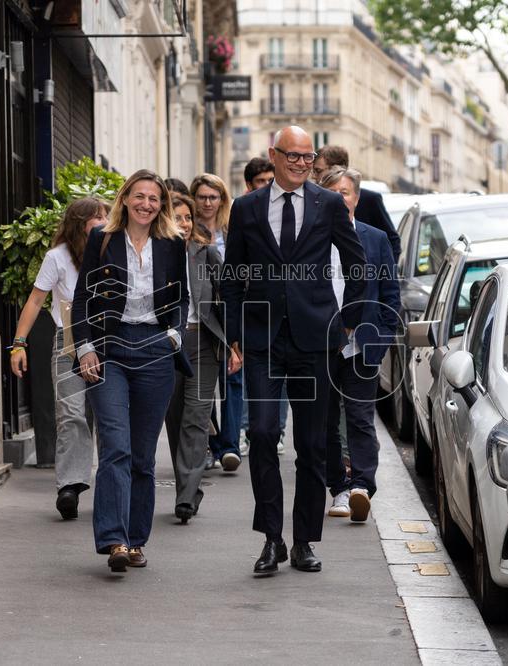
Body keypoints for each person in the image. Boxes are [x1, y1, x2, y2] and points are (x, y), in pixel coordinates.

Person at [223, 125, 366, 575]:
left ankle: (304, 540)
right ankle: (271, 539)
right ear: (274, 154)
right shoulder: (246, 208)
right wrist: (233, 333)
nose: (303, 163)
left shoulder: (327, 204)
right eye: (294, 156)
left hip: (316, 338)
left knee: (310, 444)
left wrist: (347, 322)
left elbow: (356, 261)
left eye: (309, 157)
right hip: (263, 339)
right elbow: (231, 276)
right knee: (263, 434)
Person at [71, 169, 191, 573]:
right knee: (116, 446)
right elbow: (82, 297)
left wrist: (174, 336)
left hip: (155, 350)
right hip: (109, 350)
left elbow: (182, 298)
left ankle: (136, 539)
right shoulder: (101, 238)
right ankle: (114, 539)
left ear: (162, 204)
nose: (146, 204)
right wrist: (85, 347)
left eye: (154, 198)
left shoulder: (173, 243)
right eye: (139, 196)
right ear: (125, 199)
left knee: (142, 455)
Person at [9, 197, 108, 520]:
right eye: (97, 217)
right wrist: (18, 343)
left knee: (109, 417)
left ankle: (111, 485)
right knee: (72, 415)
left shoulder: (113, 249)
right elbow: (36, 301)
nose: (104, 221)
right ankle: (70, 485)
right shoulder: (58, 257)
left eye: (106, 216)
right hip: (67, 345)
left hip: (109, 344)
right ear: (81, 224)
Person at [319, 166, 400, 522]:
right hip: (320, 345)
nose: (340, 198)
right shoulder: (310, 238)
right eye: (333, 192)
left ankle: (361, 487)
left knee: (360, 419)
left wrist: (379, 339)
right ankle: (338, 487)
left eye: (346, 192)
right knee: (325, 422)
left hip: (362, 346)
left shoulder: (375, 238)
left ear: (356, 197)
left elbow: (389, 296)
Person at [164, 193, 241, 523]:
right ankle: (188, 487)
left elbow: (226, 299)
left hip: (201, 342)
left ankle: (185, 496)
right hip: (162, 346)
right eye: (176, 217)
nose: (182, 224)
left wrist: (235, 344)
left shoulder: (205, 253)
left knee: (196, 418)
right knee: (175, 419)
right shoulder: (152, 255)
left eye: (186, 218)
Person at [190, 174, 243, 471]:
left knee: (233, 378)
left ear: (222, 200)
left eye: (214, 197)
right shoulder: (187, 230)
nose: (208, 203)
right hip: (202, 317)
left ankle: (230, 447)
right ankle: (211, 445)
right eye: (202, 197)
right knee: (204, 384)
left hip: (232, 313)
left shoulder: (232, 231)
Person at [238, 158, 288, 457]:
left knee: (278, 380)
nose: (268, 185)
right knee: (249, 377)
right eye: (261, 181)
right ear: (249, 185)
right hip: (250, 309)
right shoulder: (243, 212)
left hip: (281, 311)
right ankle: (248, 430)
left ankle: (277, 431)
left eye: (271, 179)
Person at [311, 145, 400, 262]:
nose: (313, 176)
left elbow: (392, 239)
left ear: (335, 168)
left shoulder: (370, 199)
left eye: (318, 171)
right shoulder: (311, 199)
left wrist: (383, 269)